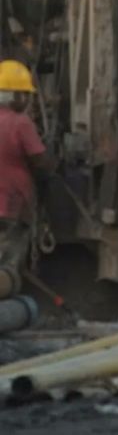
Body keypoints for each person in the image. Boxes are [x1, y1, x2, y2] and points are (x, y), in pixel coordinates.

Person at [0, 60, 55, 297]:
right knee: (9, 263)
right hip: (13, 203)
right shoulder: (20, 123)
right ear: (13, 95)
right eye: (24, 94)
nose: (26, 99)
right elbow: (40, 161)